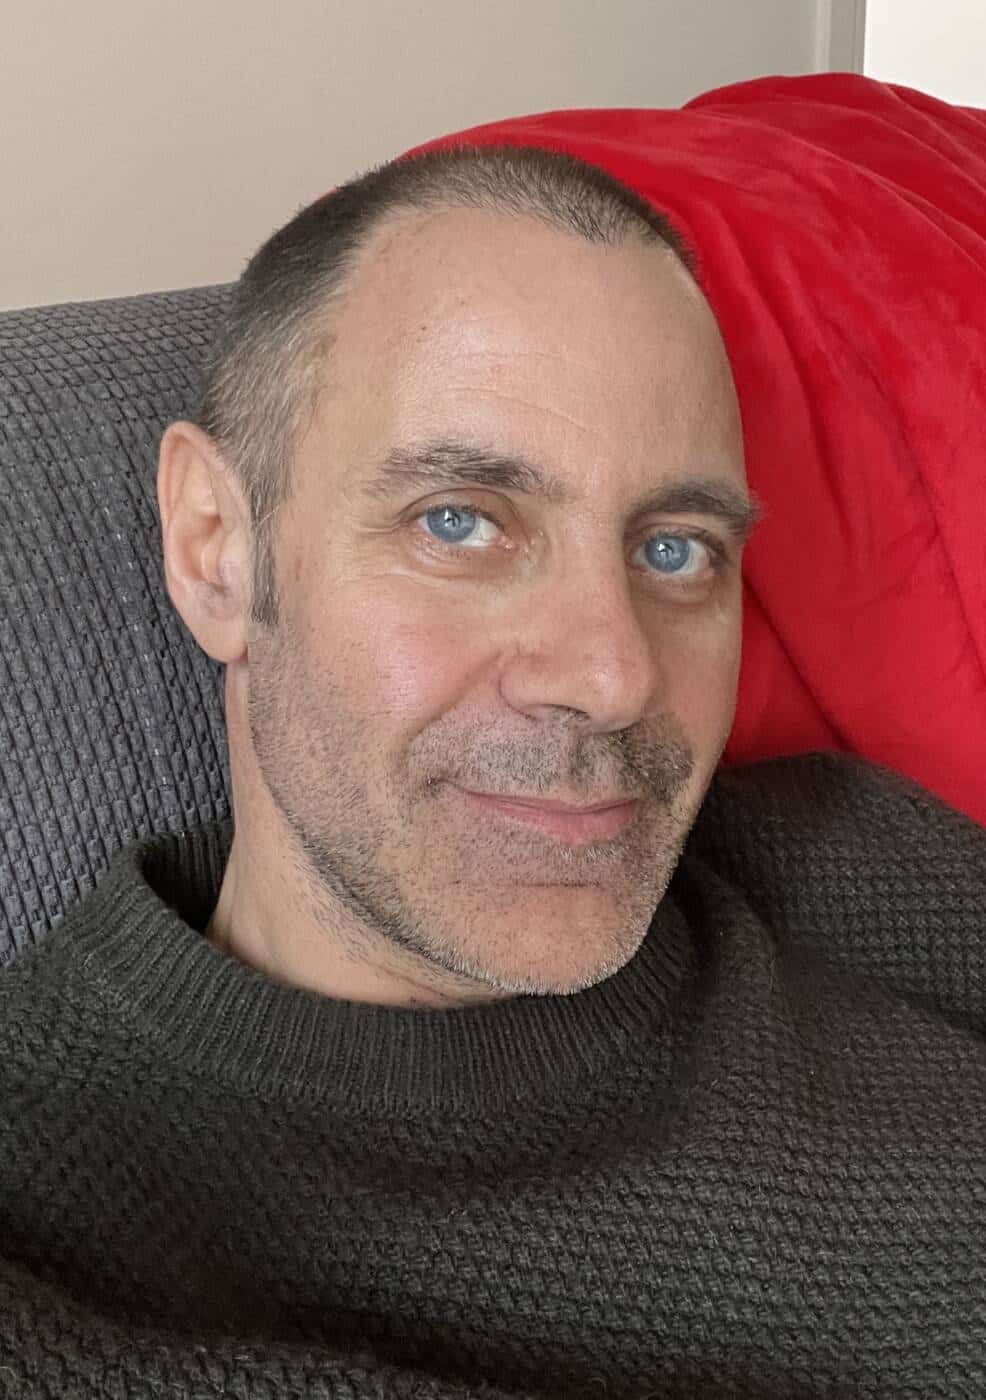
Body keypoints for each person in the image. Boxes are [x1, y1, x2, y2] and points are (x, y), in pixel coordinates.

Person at [1, 144, 984, 1399]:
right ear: (216, 551)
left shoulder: (855, 849)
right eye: (458, 520)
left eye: (673, 548)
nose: (614, 674)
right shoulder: (49, 1217)